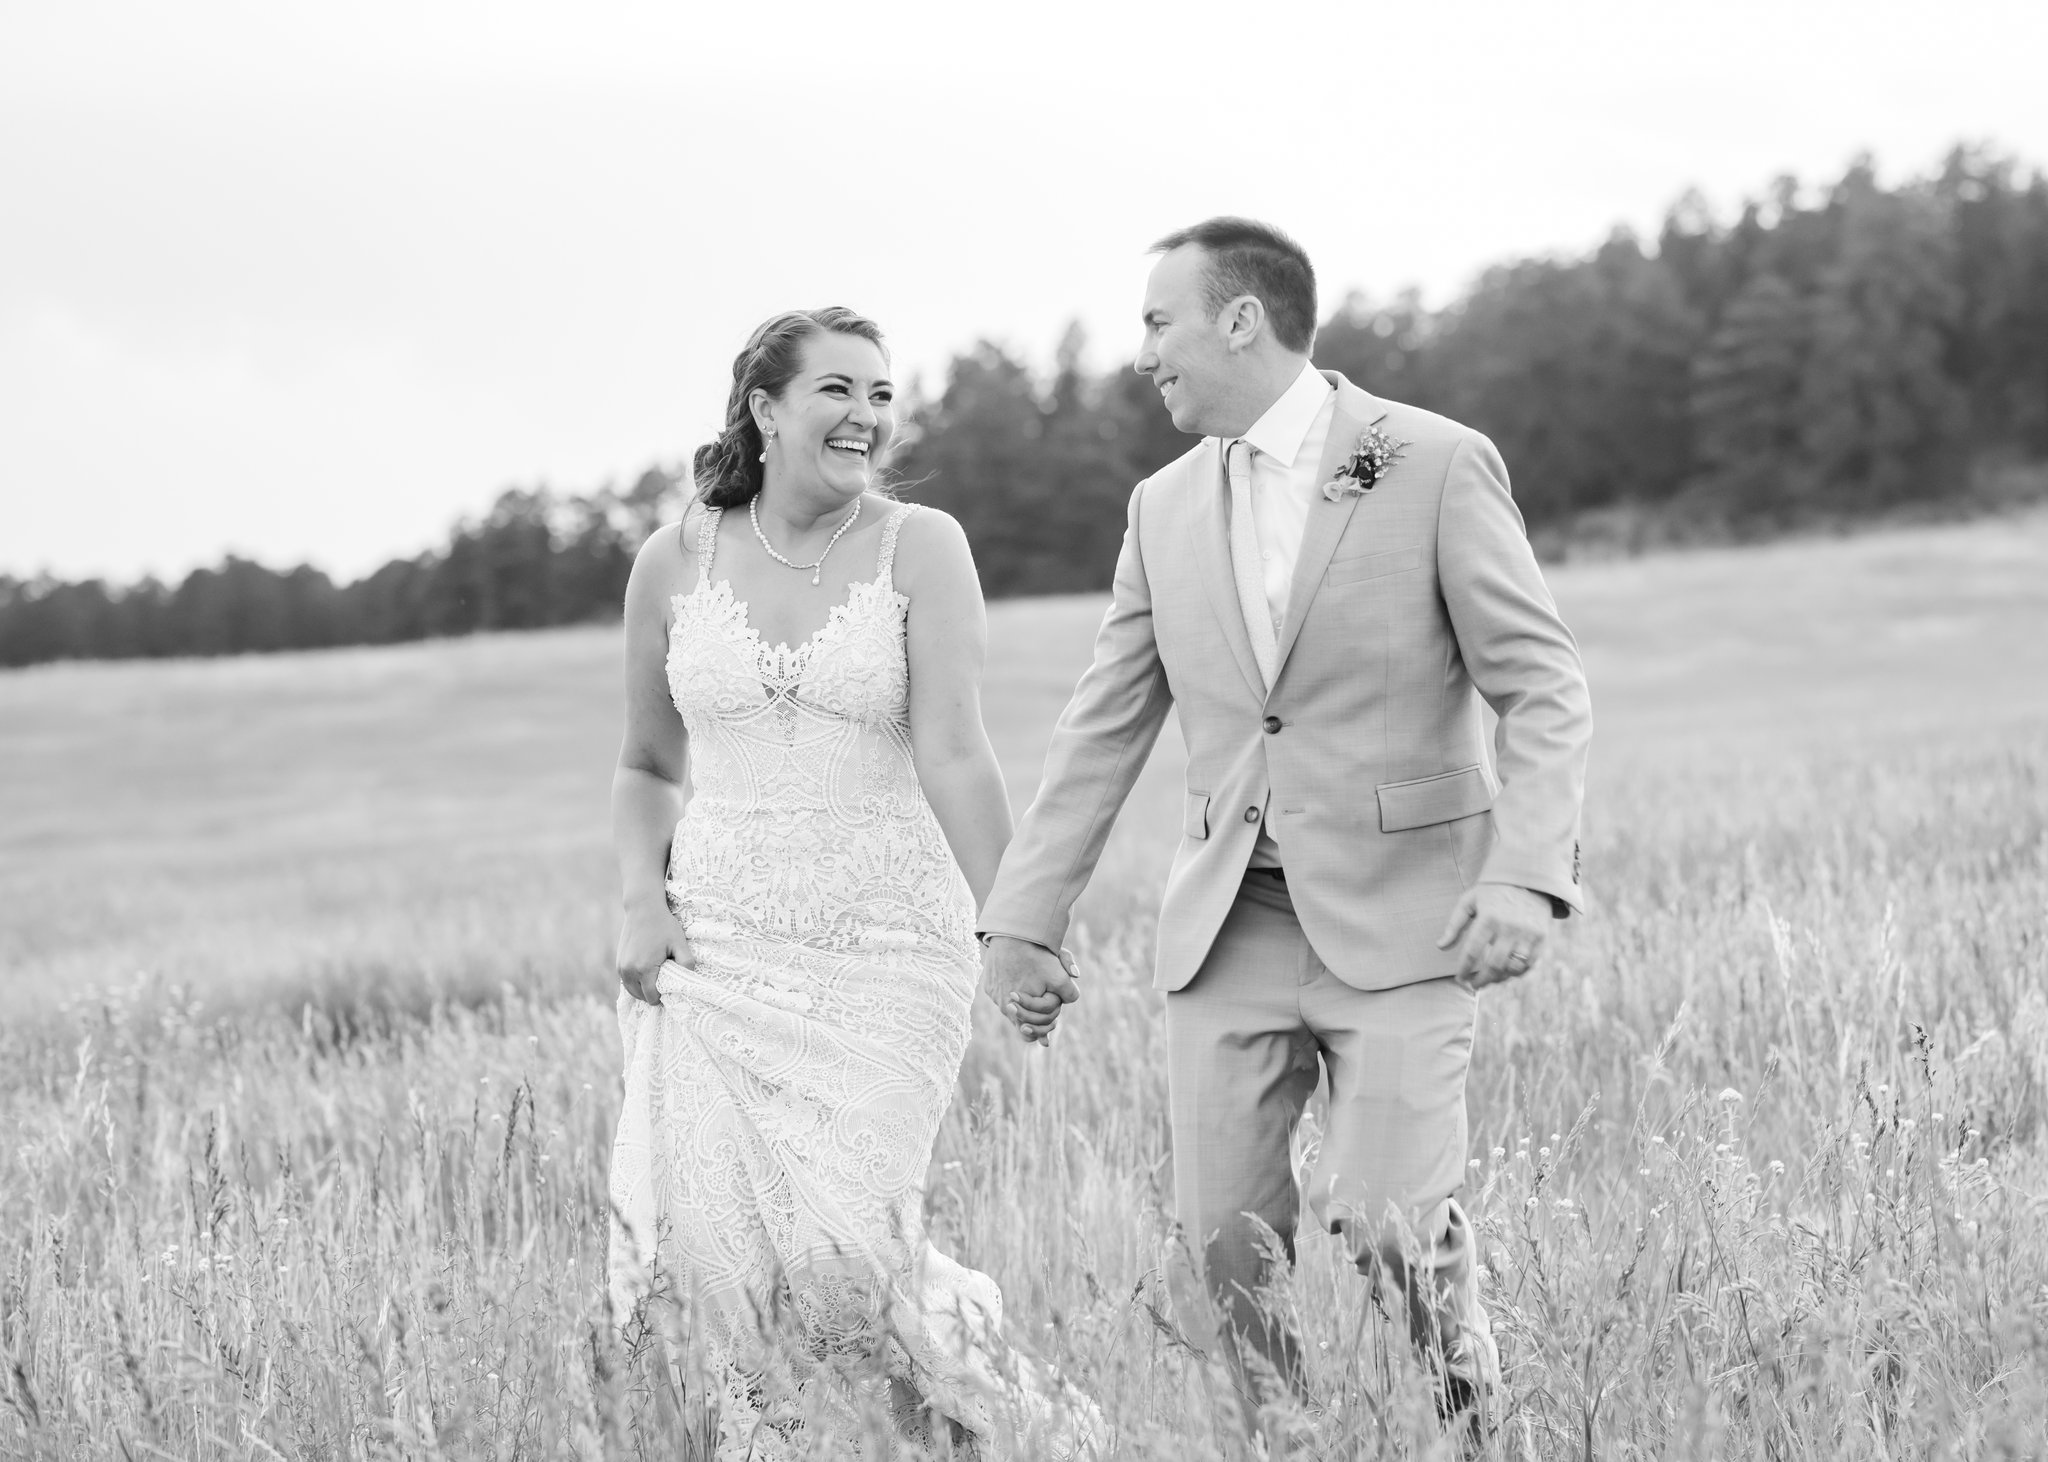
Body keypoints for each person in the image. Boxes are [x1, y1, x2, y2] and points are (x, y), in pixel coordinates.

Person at [978, 219, 1593, 1440]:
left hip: (1409, 913)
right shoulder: (1157, 507)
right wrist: (1021, 919)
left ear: (1239, 320)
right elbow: (1102, 726)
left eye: (1158, 321)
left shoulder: (1429, 460)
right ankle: (1284, 1442)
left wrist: (1525, 876)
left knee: (1384, 1221)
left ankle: (1472, 1411)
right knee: (1219, 1254)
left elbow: (1542, 684)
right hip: (1230, 927)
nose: (1142, 351)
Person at [606, 307, 1101, 1460]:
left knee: (841, 1257)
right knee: (725, 1266)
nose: (866, 416)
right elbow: (643, 763)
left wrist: (1016, 926)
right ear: (764, 410)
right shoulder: (672, 558)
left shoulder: (919, 545)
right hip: (717, 952)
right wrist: (640, 894)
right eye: (836, 390)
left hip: (887, 948)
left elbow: (957, 751)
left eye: (880, 394)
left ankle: (1007, 1432)